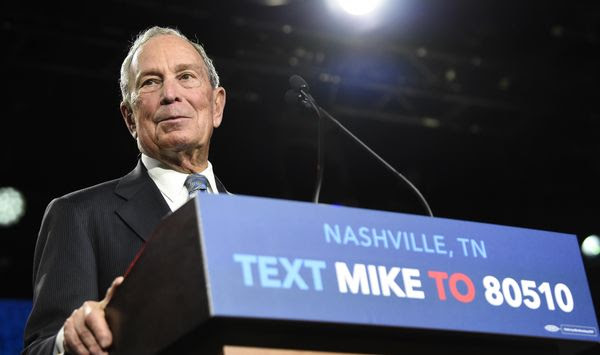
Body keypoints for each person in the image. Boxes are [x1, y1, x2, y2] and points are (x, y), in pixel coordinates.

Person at [23, 26, 227, 355]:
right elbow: (39, 349)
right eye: (150, 81)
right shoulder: (77, 216)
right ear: (130, 117)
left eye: (186, 76)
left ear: (216, 105)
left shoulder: (259, 222)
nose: (171, 94)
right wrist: (70, 342)